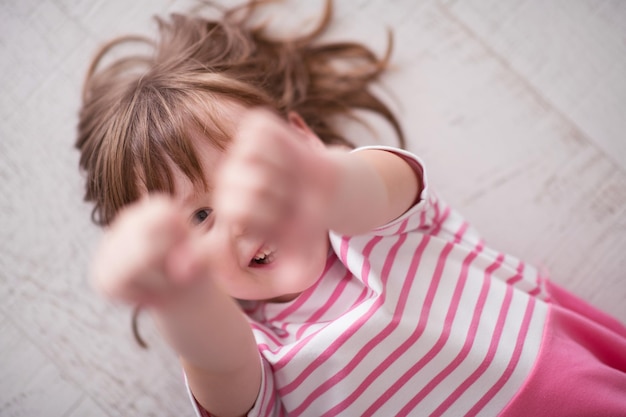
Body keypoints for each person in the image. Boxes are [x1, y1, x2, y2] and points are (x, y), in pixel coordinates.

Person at [75, 1, 626, 416]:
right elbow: (219, 359)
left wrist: (313, 177)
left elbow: (362, 187)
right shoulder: (260, 355)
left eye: (249, 171)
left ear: (303, 139)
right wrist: (181, 295)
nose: (242, 215)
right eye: (199, 217)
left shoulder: (375, 227)